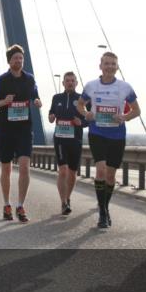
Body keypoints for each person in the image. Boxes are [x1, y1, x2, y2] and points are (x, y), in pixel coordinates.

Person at [78, 51, 141, 229]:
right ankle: (103, 213)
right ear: (101, 66)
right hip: (97, 133)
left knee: (111, 175)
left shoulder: (125, 87)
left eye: (113, 64)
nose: (110, 67)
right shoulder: (91, 86)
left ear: (117, 67)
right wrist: (86, 114)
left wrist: (124, 117)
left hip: (117, 135)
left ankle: (104, 205)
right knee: (101, 170)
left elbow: (137, 111)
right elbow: (80, 104)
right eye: (107, 64)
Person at [0, 45, 41, 223]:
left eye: (21, 58)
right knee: (6, 168)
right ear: (9, 61)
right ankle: (7, 204)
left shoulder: (30, 79)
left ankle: (20, 205)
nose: (19, 61)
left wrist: (37, 101)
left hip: (24, 129)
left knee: (24, 166)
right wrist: (3, 102)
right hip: (6, 129)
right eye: (16, 58)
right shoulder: (0, 81)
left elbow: (35, 95)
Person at [48, 71, 86, 215]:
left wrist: (81, 122)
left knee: (72, 172)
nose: (70, 83)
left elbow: (89, 118)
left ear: (76, 83)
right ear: (63, 83)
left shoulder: (82, 99)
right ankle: (63, 202)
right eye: (67, 80)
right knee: (63, 170)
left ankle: (68, 198)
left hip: (75, 140)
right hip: (60, 139)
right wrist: (51, 117)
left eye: (72, 80)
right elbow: (51, 114)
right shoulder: (56, 97)